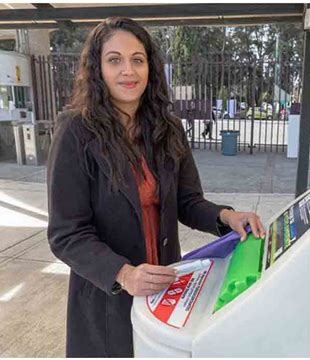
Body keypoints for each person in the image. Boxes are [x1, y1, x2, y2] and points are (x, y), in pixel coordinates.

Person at [47, 17, 266, 358]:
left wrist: (227, 216)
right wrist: (124, 273)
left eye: (138, 59)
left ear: (150, 66)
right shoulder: (76, 131)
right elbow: (66, 233)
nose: (128, 71)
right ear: (97, 68)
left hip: (164, 290)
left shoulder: (168, 128)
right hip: (109, 297)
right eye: (114, 60)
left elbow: (188, 201)